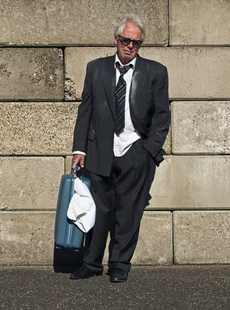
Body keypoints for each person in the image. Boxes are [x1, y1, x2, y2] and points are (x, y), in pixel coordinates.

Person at [69, 14, 170, 283]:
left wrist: (148, 150)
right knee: (99, 210)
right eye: (126, 40)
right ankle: (91, 263)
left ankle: (119, 265)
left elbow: (162, 116)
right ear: (116, 40)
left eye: (136, 43)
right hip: (100, 150)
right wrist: (79, 149)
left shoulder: (155, 72)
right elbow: (86, 111)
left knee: (128, 211)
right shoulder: (96, 69)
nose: (130, 46)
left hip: (136, 151)